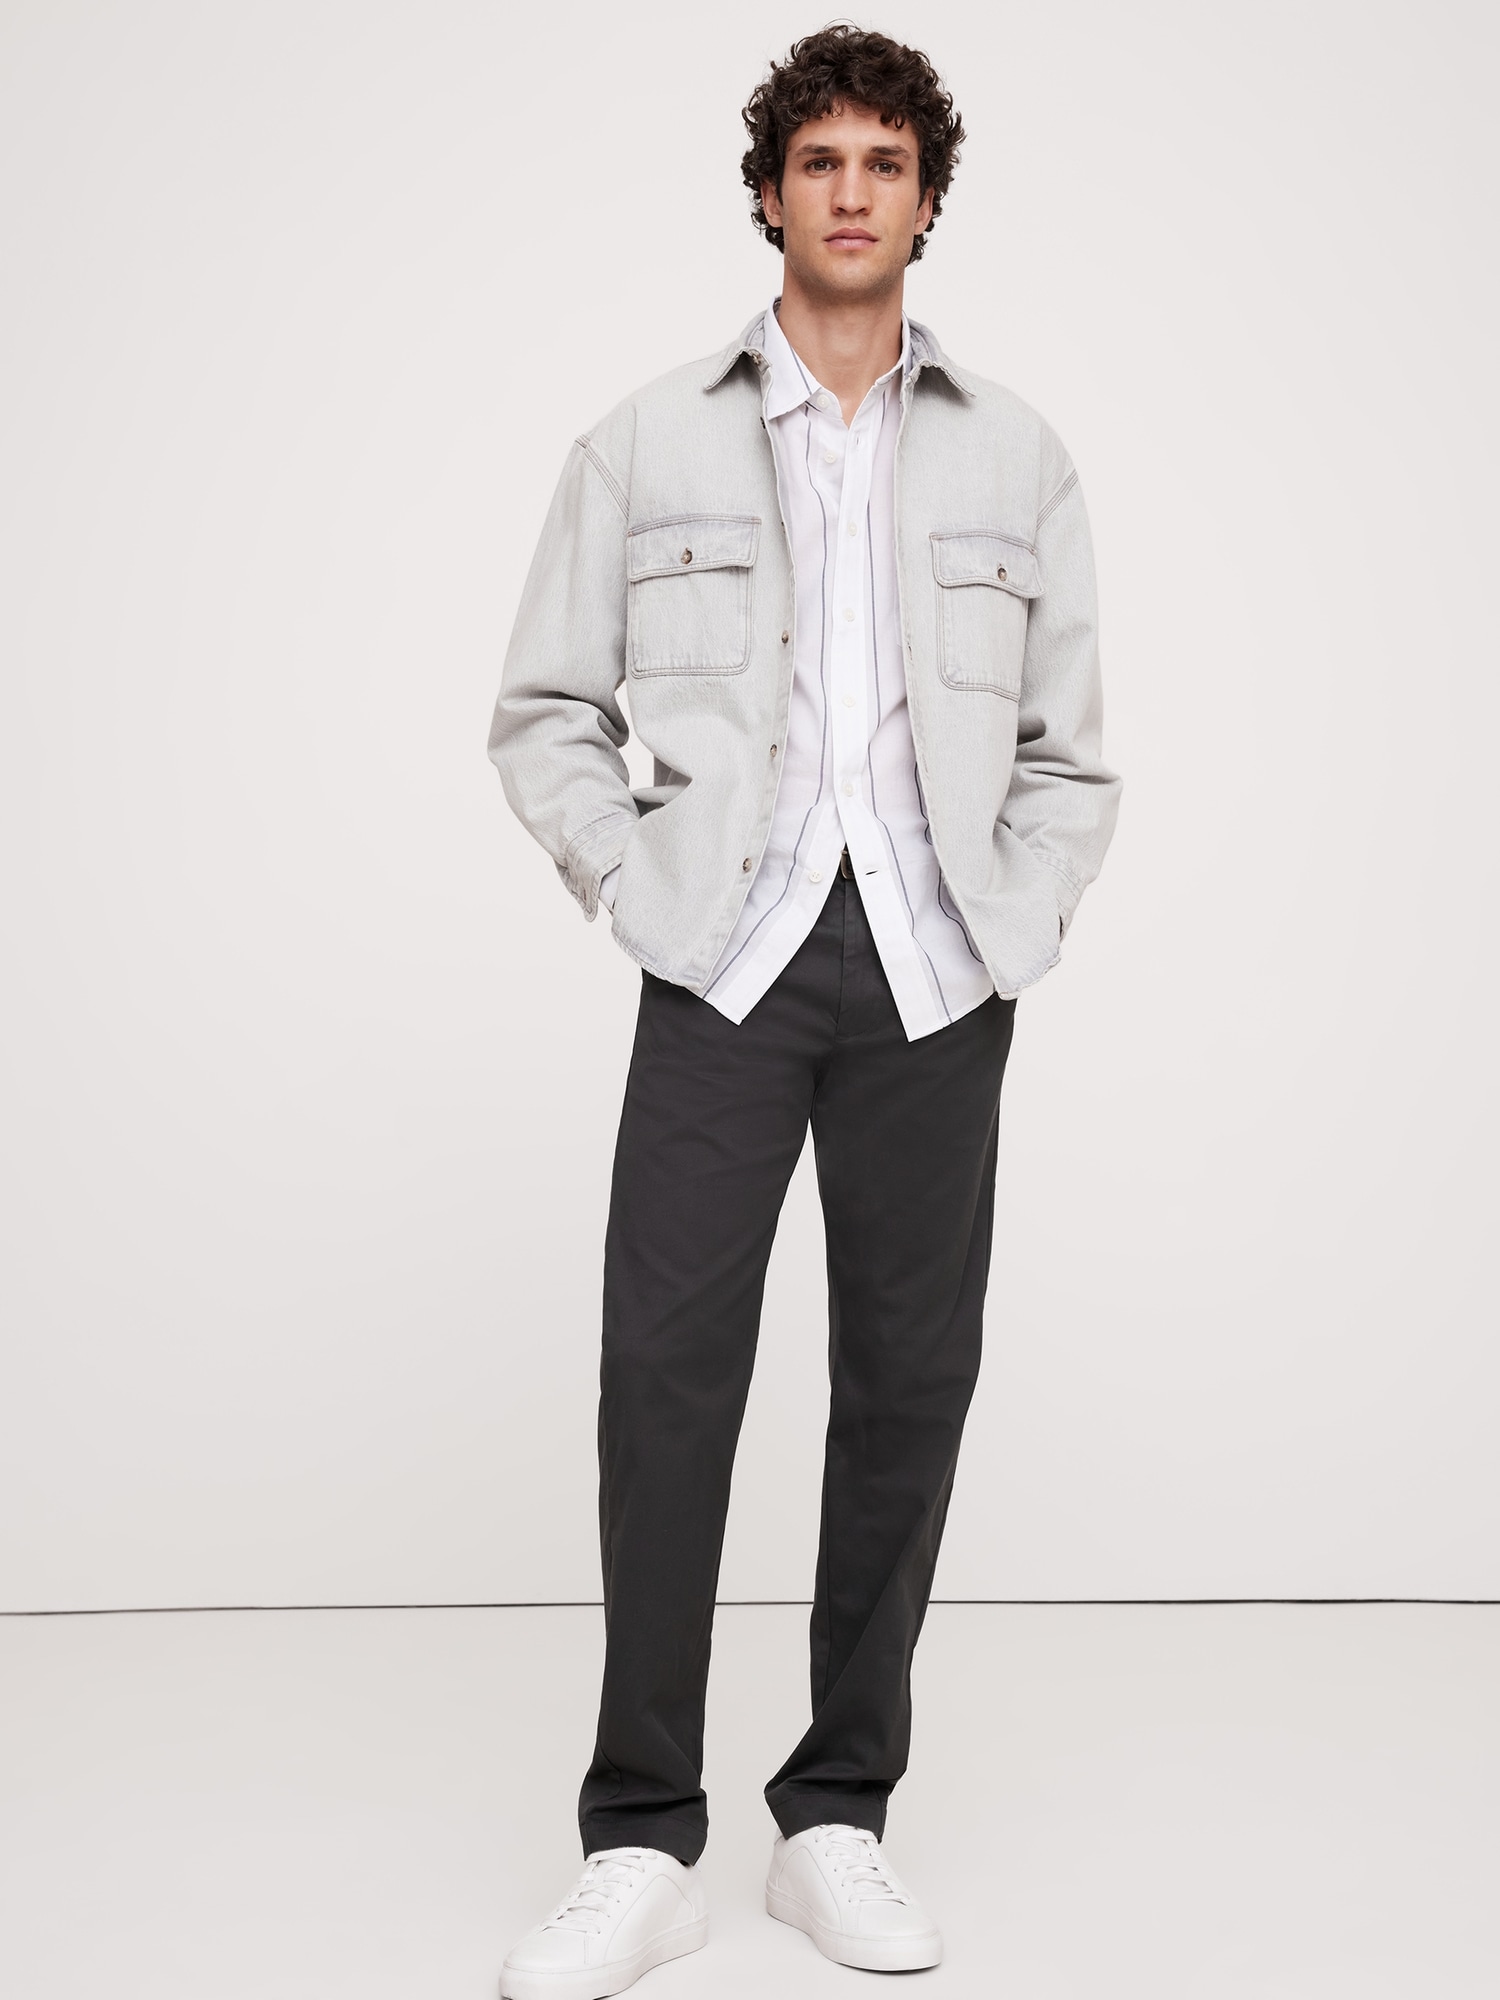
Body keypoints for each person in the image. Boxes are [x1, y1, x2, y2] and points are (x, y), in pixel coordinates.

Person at [487, 25, 1120, 1996]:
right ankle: (638, 1840)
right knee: (663, 1379)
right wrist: (637, 886)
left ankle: (838, 1813)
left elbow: (1069, 755)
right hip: (732, 963)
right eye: (820, 160)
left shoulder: (1017, 456)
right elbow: (543, 711)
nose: (852, 191)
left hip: (935, 968)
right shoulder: (645, 442)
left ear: (928, 199)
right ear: (769, 193)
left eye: (886, 162)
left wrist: (1017, 919)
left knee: (907, 1386)